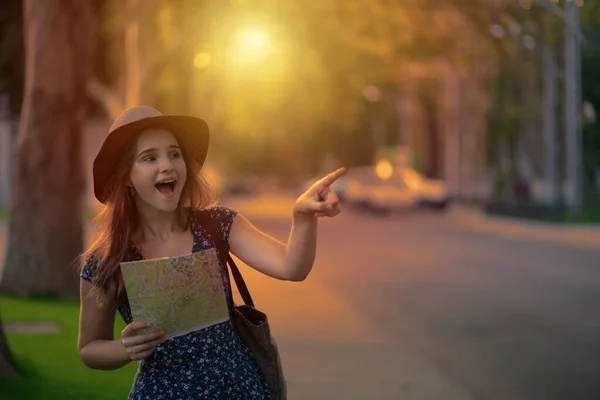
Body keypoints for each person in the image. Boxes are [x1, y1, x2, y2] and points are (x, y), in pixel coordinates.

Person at [77, 106, 345, 399]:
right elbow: (89, 348)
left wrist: (303, 217)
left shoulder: (218, 224)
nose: (167, 165)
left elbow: (292, 267)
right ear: (126, 176)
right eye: (149, 157)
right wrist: (123, 349)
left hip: (240, 389)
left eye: (174, 154)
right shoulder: (105, 261)